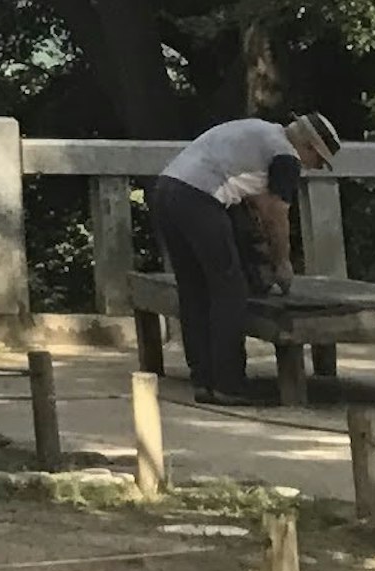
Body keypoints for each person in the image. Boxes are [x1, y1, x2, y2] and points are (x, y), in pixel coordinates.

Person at [145, 110, 340, 401]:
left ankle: (203, 378)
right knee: (230, 290)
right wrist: (282, 262)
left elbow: (257, 201)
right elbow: (276, 214)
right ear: (309, 147)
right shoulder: (286, 157)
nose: (316, 167)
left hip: (166, 190)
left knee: (194, 288)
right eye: (319, 161)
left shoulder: (259, 130)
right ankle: (228, 383)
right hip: (201, 198)